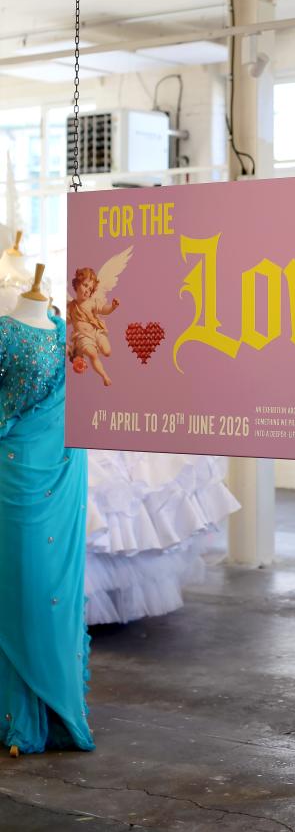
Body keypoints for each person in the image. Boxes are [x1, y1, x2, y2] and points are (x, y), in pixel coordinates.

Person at [0, 276, 94, 756]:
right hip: (19, 472)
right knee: (22, 585)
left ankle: (55, 711)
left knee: (54, 586)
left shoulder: (64, 330)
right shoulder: (6, 332)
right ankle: (20, 715)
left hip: (62, 467)